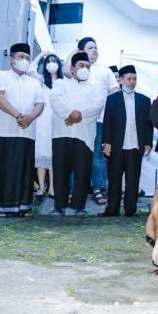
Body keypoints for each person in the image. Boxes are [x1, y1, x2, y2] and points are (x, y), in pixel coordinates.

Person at [0, 43, 44, 217]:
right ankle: (1, 207)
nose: (24, 60)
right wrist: (18, 115)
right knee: (4, 169)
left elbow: (40, 103)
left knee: (25, 170)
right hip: (5, 131)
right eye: (21, 57)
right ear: (11, 59)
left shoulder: (34, 82)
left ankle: (24, 206)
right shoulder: (1, 75)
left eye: (27, 58)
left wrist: (31, 117)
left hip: (27, 131)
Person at [49, 52, 104, 217]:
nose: (84, 69)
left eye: (87, 66)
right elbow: (57, 101)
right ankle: (59, 206)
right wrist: (70, 113)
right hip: (61, 133)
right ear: (72, 69)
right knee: (60, 171)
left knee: (82, 172)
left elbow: (97, 107)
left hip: (84, 135)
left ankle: (79, 206)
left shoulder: (95, 88)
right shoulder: (60, 84)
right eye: (81, 66)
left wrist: (79, 115)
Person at [67, 37, 119, 206]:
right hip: (79, 121)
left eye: (96, 47)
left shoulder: (105, 71)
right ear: (81, 51)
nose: (95, 50)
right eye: (90, 48)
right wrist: (75, 54)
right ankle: (75, 190)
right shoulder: (75, 71)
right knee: (76, 155)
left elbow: (114, 94)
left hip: (100, 119)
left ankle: (96, 189)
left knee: (97, 156)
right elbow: (64, 71)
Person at [100, 65, 152, 217]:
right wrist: (106, 142)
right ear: (121, 80)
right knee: (114, 178)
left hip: (136, 145)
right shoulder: (112, 100)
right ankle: (112, 209)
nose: (132, 82)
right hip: (117, 144)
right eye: (129, 79)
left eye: (134, 78)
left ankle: (131, 210)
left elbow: (148, 124)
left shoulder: (144, 100)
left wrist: (148, 141)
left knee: (132, 179)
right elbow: (107, 122)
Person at [28, 51, 63, 203]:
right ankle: (41, 187)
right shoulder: (41, 80)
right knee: (41, 154)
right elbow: (30, 70)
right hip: (42, 121)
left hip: (58, 122)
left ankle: (53, 187)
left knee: (54, 155)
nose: (51, 63)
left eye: (54, 61)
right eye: (49, 61)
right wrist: (42, 55)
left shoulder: (64, 82)